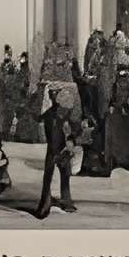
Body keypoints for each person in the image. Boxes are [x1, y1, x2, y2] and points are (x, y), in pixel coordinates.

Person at [32, 80, 82, 218]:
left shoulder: (63, 110)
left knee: (58, 167)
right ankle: (52, 202)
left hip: (59, 146)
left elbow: (73, 125)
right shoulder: (51, 111)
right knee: (56, 167)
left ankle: (52, 202)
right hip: (55, 145)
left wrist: (71, 138)